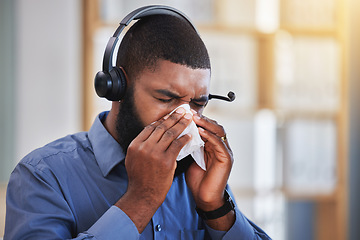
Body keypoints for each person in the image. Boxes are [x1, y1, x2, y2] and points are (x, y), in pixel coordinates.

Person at [4, 8, 271, 240]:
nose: (185, 118)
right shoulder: (43, 175)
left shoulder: (199, 178)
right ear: (117, 88)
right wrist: (142, 199)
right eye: (166, 98)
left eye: (198, 104)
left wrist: (216, 209)